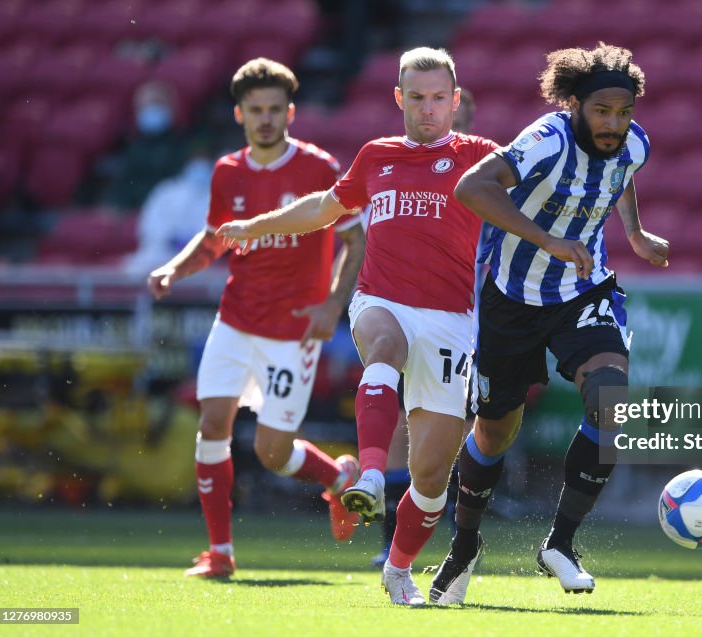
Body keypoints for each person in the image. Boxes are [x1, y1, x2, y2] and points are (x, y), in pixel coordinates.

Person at [215, 48, 498, 605]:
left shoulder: (483, 158)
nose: (428, 109)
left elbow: (542, 191)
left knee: (432, 474)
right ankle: (368, 475)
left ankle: (397, 569)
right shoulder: (376, 157)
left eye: (439, 98)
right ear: (399, 99)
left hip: (451, 320)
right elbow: (324, 207)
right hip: (381, 298)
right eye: (416, 98)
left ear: (455, 101)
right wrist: (254, 224)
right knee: (383, 346)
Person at [429, 43, 669, 603]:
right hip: (511, 298)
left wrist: (633, 232)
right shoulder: (547, 139)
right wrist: (547, 240)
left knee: (611, 400)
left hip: (583, 289)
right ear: (575, 104)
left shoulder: (634, 143)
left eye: (624, 112)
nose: (613, 124)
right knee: (494, 432)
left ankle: (559, 543)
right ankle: (463, 548)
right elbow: (471, 188)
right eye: (601, 111)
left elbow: (622, 174)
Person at [146, 58, 366, 578]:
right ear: (239, 114)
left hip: (292, 333)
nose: (265, 119)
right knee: (212, 426)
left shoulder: (319, 168)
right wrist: (173, 271)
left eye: (274, 109)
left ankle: (338, 478)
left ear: (289, 112)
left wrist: (333, 305)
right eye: (255, 110)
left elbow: (353, 240)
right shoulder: (228, 172)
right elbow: (214, 240)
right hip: (235, 320)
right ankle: (220, 553)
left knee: (272, 453)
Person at [366, 87, 478, 569]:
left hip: (467, 317)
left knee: (459, 434)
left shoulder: (485, 173)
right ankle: (389, 540)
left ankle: (459, 536)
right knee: (396, 429)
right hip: (400, 307)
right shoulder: (388, 165)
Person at [123, 145, 214, 277]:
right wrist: (170, 239)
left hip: (198, 258)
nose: (200, 168)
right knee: (135, 273)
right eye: (196, 162)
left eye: (204, 163)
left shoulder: (214, 196)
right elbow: (149, 225)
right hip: (159, 253)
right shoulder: (166, 191)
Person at [104, 81, 189, 210]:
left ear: (171, 107)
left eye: (156, 103)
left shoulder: (184, 145)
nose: (151, 109)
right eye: (146, 105)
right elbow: (120, 187)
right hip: (129, 211)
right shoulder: (129, 145)